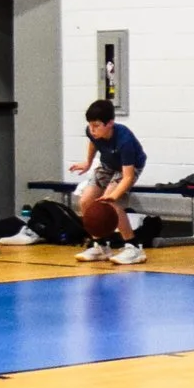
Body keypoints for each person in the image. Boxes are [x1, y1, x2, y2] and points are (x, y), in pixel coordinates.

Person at [69, 101, 148, 266]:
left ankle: (133, 247)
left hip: (128, 168)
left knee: (110, 203)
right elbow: (93, 142)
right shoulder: (92, 132)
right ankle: (101, 246)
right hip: (107, 165)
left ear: (110, 123)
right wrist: (88, 163)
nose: (92, 130)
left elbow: (127, 177)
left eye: (96, 126)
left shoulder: (124, 140)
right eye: (90, 125)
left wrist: (113, 196)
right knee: (85, 200)